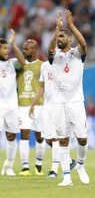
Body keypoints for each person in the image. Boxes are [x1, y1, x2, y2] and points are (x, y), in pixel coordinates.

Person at [47, 10, 89, 186]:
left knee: (82, 138)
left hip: (76, 101)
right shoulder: (54, 56)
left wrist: (70, 25)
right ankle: (66, 177)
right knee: (63, 139)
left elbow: (84, 45)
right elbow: (49, 49)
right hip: (58, 102)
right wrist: (56, 29)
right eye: (58, 36)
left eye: (62, 36)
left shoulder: (78, 54)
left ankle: (80, 165)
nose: (59, 39)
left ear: (69, 39)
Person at [28, 61, 77, 178]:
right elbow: (41, 87)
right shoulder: (44, 66)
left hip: (59, 105)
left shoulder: (63, 64)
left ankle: (53, 171)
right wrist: (33, 104)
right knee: (49, 140)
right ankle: (69, 161)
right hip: (47, 107)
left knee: (56, 138)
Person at [14, 35, 46, 176]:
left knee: (40, 136)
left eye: (26, 49)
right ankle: (25, 167)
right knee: (24, 134)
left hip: (39, 105)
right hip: (23, 105)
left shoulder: (42, 65)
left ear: (35, 50)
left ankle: (38, 166)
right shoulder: (19, 65)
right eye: (23, 49)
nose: (24, 51)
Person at [0, 30, 26, 176]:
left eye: (7, 48)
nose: (6, 51)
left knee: (11, 136)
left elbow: (22, 62)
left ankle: (9, 165)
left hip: (11, 106)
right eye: (4, 48)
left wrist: (13, 44)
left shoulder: (12, 63)